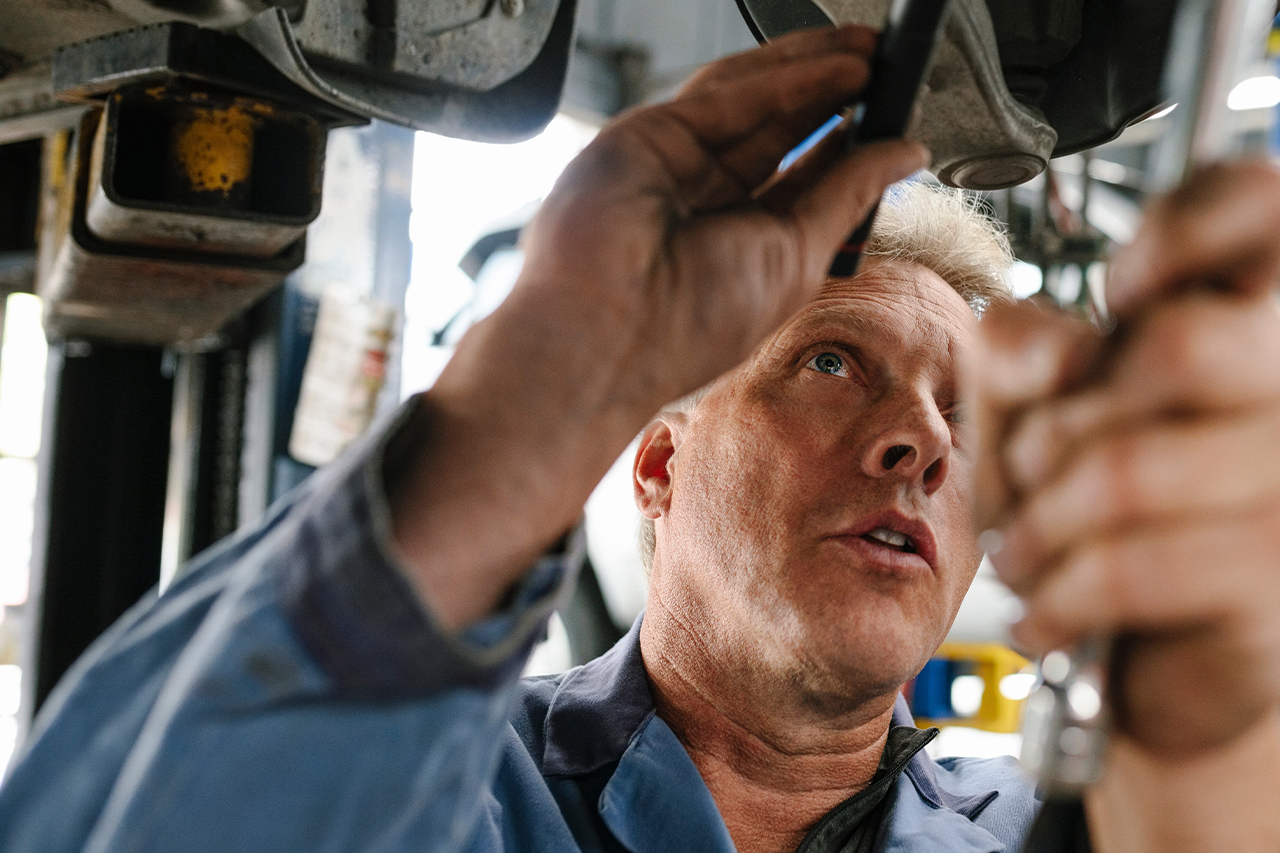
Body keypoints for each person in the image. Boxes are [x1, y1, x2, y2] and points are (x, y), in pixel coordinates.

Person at [2, 23, 1280, 853]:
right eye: (830, 362)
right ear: (657, 465)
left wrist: (1207, 758)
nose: (919, 442)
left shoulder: (1040, 824)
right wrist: (529, 394)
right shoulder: (453, 795)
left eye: (966, 411)